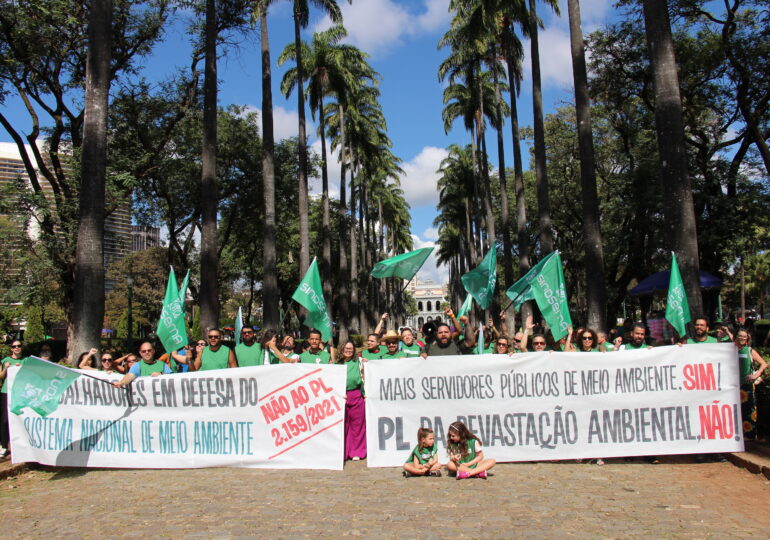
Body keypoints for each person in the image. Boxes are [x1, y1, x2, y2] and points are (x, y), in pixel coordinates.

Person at [735, 329, 767, 440]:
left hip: (747, 386)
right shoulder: (731, 349)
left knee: (748, 410)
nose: (742, 338)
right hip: (734, 385)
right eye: (740, 336)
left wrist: (756, 375)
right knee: (736, 410)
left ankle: (750, 435)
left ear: (747, 338)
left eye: (744, 337)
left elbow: (763, 364)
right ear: (736, 337)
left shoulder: (749, 350)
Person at [338, 341, 366, 460]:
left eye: (351, 349)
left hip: (356, 394)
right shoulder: (336, 363)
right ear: (342, 349)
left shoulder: (358, 362)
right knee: (343, 425)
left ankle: (357, 452)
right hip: (341, 396)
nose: (348, 350)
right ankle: (343, 452)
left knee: (357, 425)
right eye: (346, 348)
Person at [0, 339, 26, 457]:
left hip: (21, 393)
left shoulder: (25, 361)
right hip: (6, 392)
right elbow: (1, 376)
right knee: (5, 420)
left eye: (19, 346)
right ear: (11, 349)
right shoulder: (5, 360)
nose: (17, 348)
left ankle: (20, 446)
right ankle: (4, 446)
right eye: (14, 346)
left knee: (19, 418)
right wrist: (6, 368)